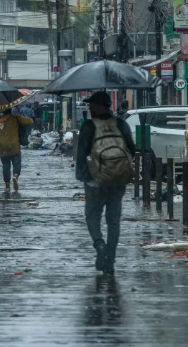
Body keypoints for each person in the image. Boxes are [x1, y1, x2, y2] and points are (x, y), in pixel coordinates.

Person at [75, 91, 136, 274]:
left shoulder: (88, 125)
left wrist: (85, 177)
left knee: (92, 216)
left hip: (95, 181)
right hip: (118, 181)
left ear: (99, 106)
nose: (90, 108)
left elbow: (81, 154)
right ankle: (111, 257)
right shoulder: (121, 124)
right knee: (113, 221)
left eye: (92, 105)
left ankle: (100, 245)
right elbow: (132, 149)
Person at [0, 108, 34, 194]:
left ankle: (7, 185)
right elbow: (29, 121)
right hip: (13, 145)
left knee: (5, 165)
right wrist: (21, 116)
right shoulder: (15, 118)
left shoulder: (0, 119)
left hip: (2, 146)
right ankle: (15, 176)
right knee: (16, 162)